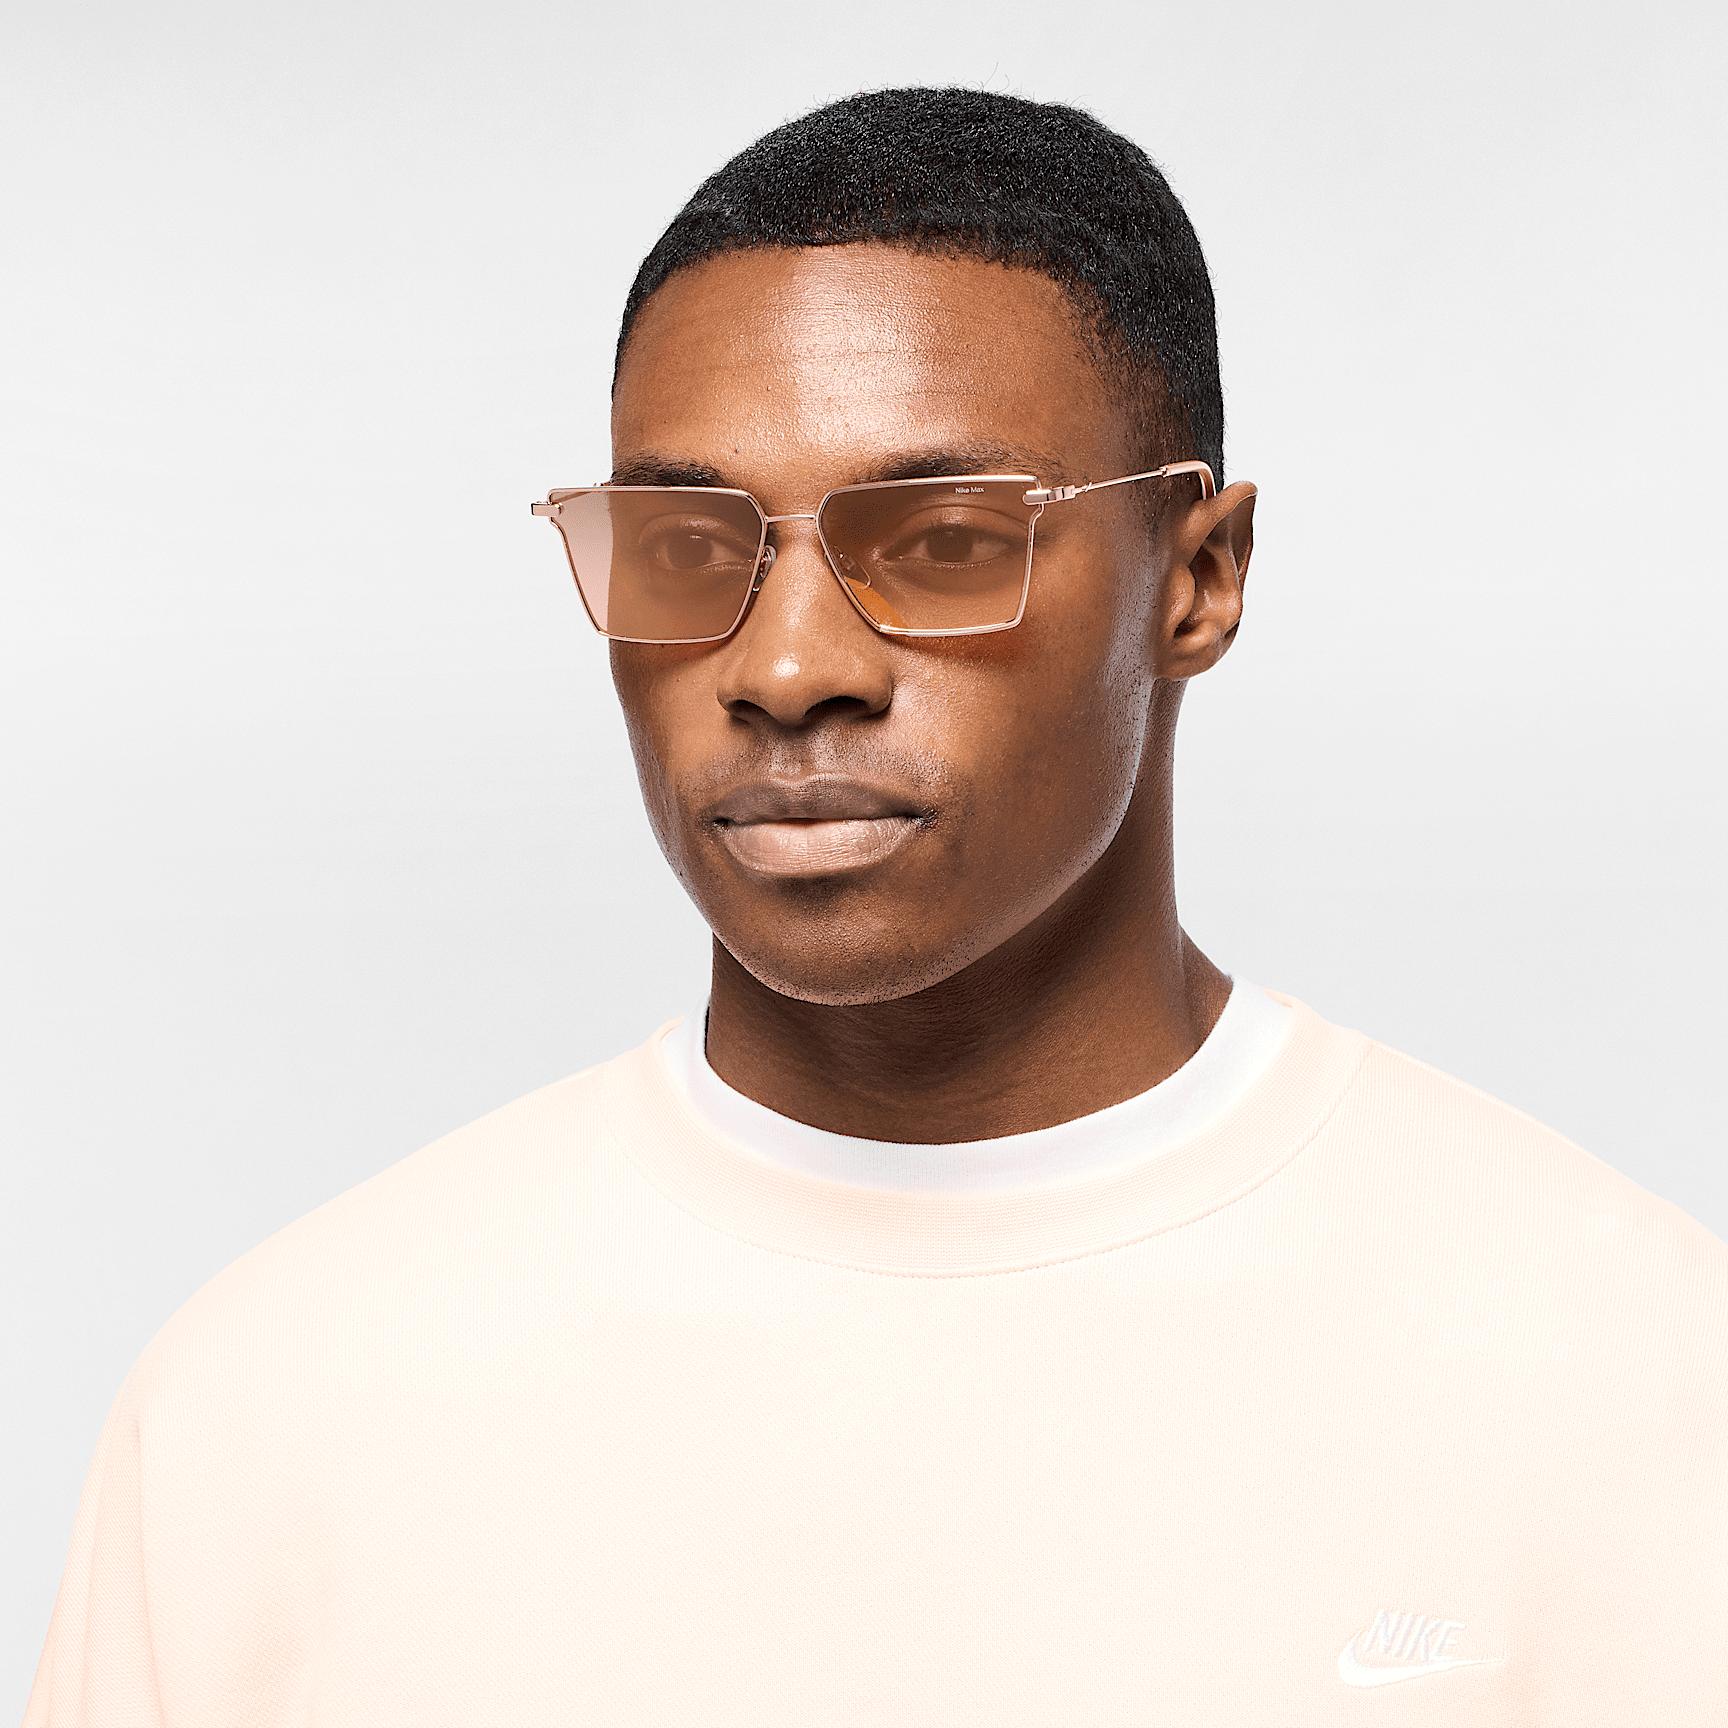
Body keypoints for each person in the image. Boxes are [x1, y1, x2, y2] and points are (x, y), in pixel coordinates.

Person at [24, 85, 1728, 1727]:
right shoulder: (275, 1414)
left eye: (943, 542)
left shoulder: (1621, 1374)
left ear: (1199, 579)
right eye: (685, 546)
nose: (784, 669)